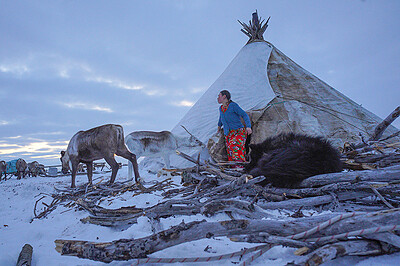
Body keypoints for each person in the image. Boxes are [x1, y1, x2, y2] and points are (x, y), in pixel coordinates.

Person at [217, 90, 252, 165]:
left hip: (238, 131)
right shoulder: (221, 108)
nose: (217, 98)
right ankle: (234, 169)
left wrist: (248, 127)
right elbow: (221, 117)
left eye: (219, 96)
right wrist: (219, 125)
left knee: (235, 145)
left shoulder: (233, 106)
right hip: (228, 133)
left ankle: (241, 166)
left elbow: (244, 115)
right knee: (230, 151)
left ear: (224, 96)